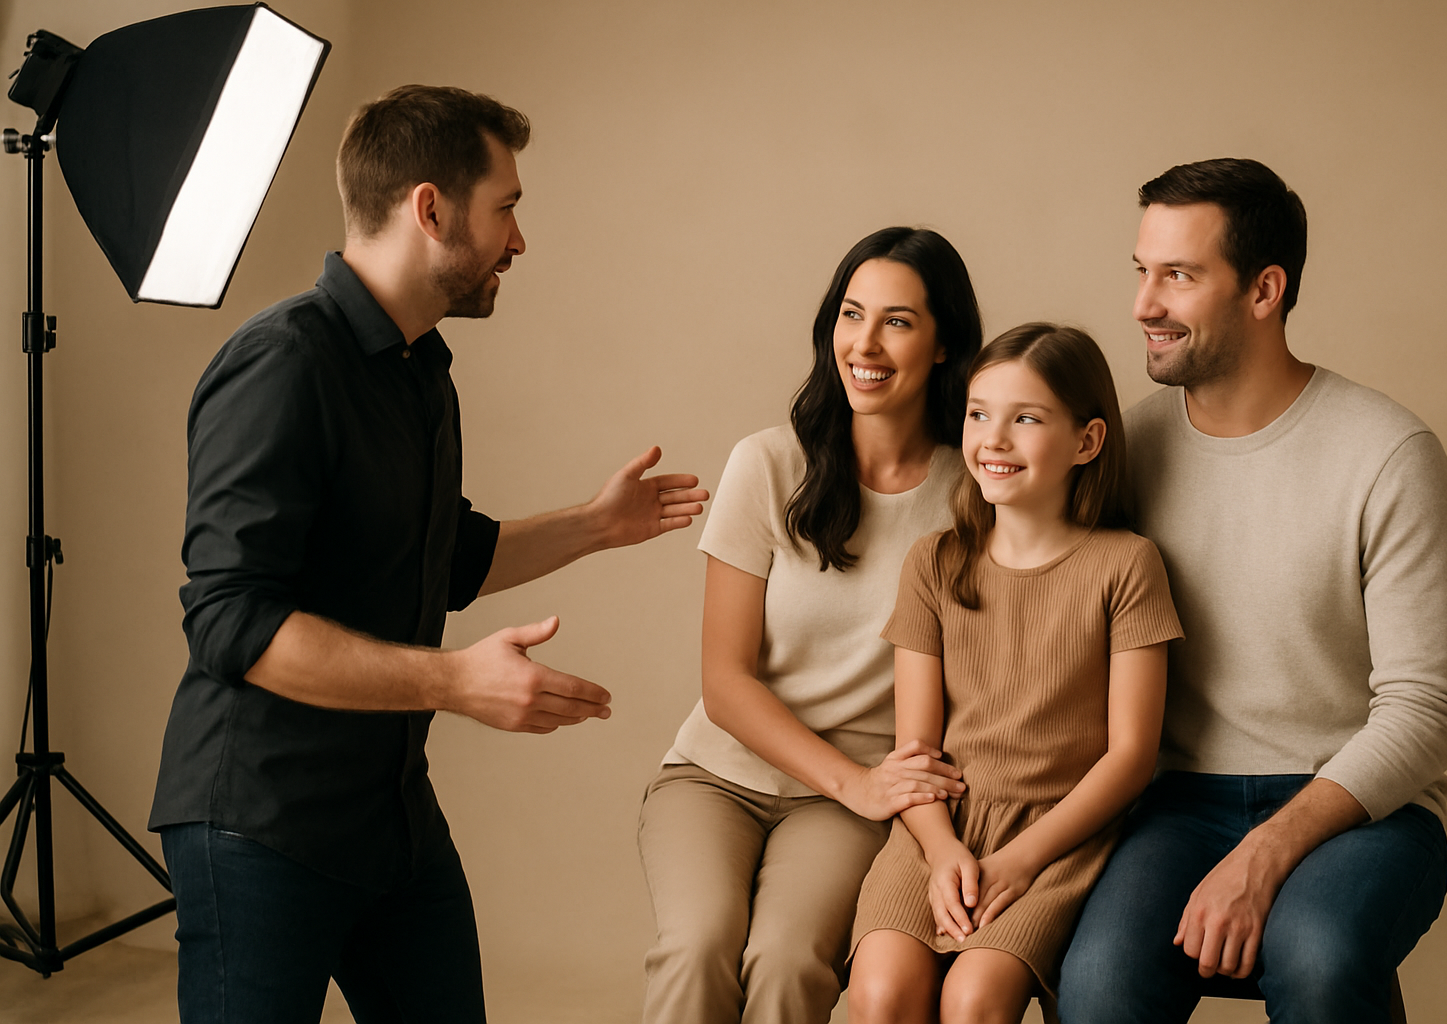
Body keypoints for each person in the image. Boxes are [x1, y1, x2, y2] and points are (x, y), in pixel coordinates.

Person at [147, 85, 708, 1024]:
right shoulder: (281, 365)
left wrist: (597, 525)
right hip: (258, 824)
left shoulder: (421, 369)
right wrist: (454, 682)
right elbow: (230, 622)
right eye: (508, 208)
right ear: (432, 208)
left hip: (392, 821)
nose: (520, 241)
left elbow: (442, 559)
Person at [1057, 158, 1447, 1024]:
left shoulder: (1388, 454)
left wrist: (1268, 851)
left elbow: (1426, 710)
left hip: (1361, 802)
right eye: (1142, 271)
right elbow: (1005, 557)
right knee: (1096, 986)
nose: (1143, 303)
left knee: (1317, 956)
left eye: (1178, 275)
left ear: (1264, 290)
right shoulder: (1125, 451)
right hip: (1175, 801)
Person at [635, 227, 984, 1024]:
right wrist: (855, 783)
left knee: (789, 963)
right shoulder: (766, 463)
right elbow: (725, 682)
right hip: (717, 776)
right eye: (851, 315)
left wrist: (871, 790)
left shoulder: (975, 491)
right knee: (698, 947)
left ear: (942, 345)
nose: (865, 343)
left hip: (852, 801)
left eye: (898, 321)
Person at [845, 324, 1183, 1024]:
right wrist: (940, 852)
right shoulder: (933, 563)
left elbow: (1131, 757)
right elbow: (915, 754)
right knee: (881, 995)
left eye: (1025, 419)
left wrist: (1022, 860)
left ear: (1087, 442)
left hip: (1056, 836)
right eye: (978, 414)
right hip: (937, 826)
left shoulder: (1126, 566)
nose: (993, 440)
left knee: (973, 1001)